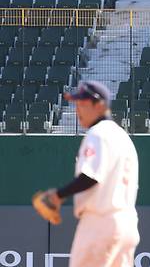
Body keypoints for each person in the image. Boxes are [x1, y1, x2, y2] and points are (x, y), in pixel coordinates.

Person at [43, 81, 140, 267]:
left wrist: (57, 195)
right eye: (76, 104)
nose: (78, 109)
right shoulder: (122, 136)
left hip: (100, 224)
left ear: (100, 105)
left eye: (83, 103)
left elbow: (91, 177)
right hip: (126, 224)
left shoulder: (98, 134)